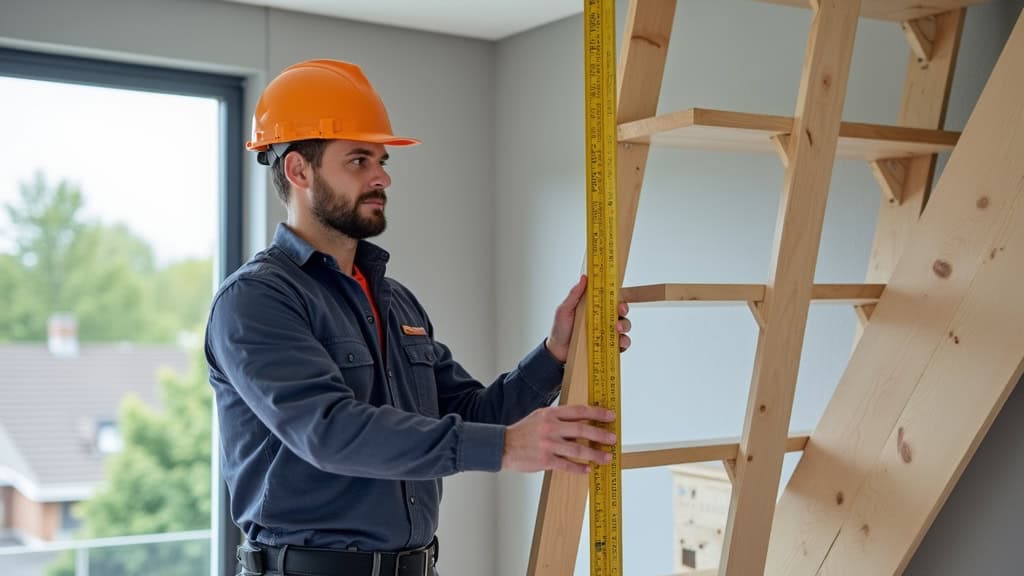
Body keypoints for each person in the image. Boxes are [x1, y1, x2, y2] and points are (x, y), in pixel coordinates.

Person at [205, 59, 632, 576]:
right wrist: (505, 448)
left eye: (382, 160)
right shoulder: (256, 301)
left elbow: (469, 412)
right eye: (359, 160)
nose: (382, 176)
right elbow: (329, 432)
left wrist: (555, 354)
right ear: (299, 170)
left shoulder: (394, 301)